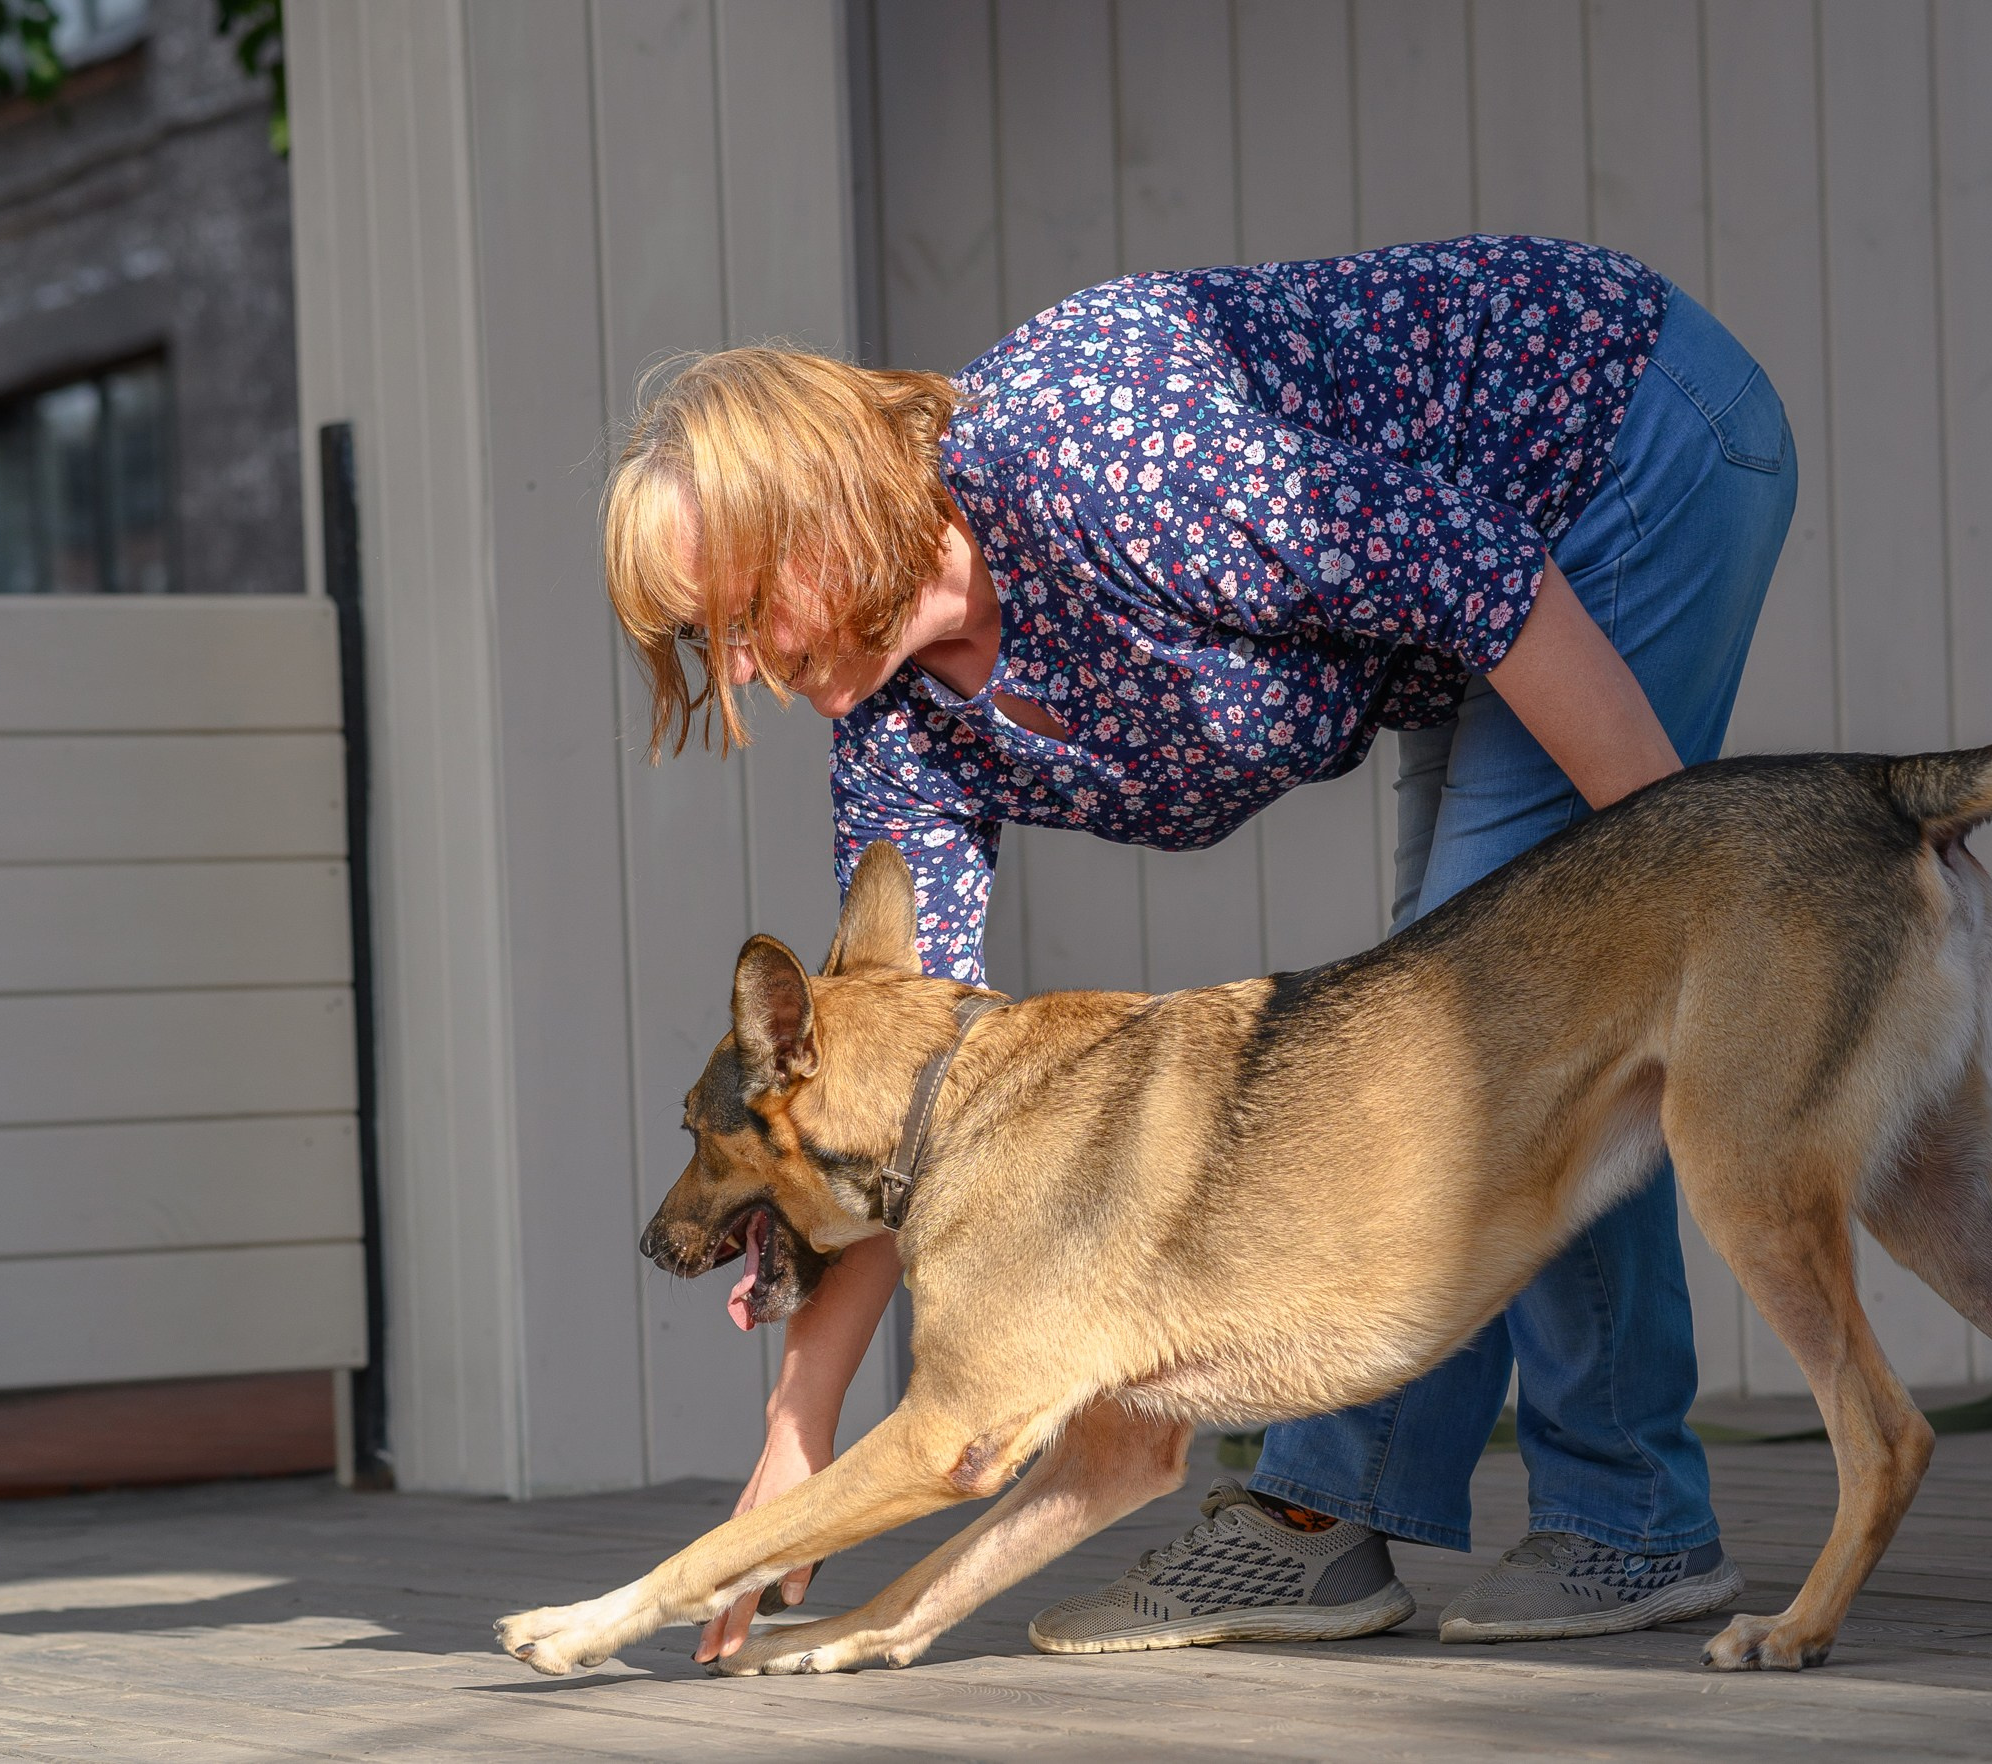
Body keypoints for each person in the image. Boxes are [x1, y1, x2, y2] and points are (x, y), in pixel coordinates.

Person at [602, 235, 1796, 1662]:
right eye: (702, 646)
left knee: (1499, 1019)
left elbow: (1480, 571)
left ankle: (1609, 1522)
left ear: (815, 512)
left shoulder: (1099, 466)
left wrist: (1690, 885)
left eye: (734, 617)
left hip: (1617, 446)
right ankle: (1341, 1519)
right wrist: (792, 1466)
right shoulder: (899, 736)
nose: (735, 670)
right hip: (1463, 594)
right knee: (1470, 1017)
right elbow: (876, 1104)